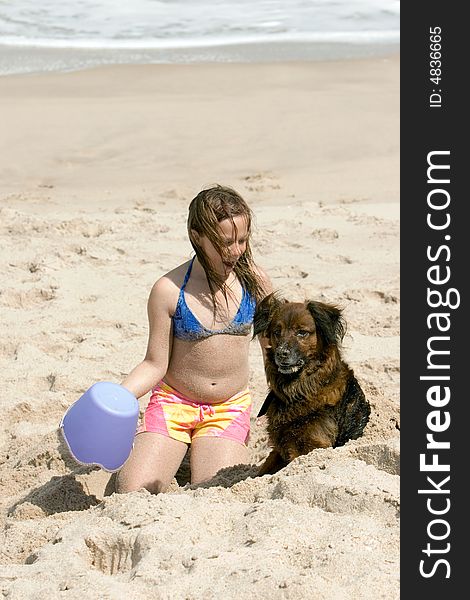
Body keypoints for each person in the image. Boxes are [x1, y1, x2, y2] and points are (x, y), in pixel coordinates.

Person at [115, 185, 272, 494]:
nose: (237, 250)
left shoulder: (255, 283)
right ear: (197, 236)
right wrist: (117, 398)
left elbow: (272, 350)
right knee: (130, 490)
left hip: (228, 407)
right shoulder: (169, 290)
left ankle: (203, 447)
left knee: (216, 491)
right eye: (225, 242)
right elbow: (154, 363)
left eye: (242, 240)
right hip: (174, 403)